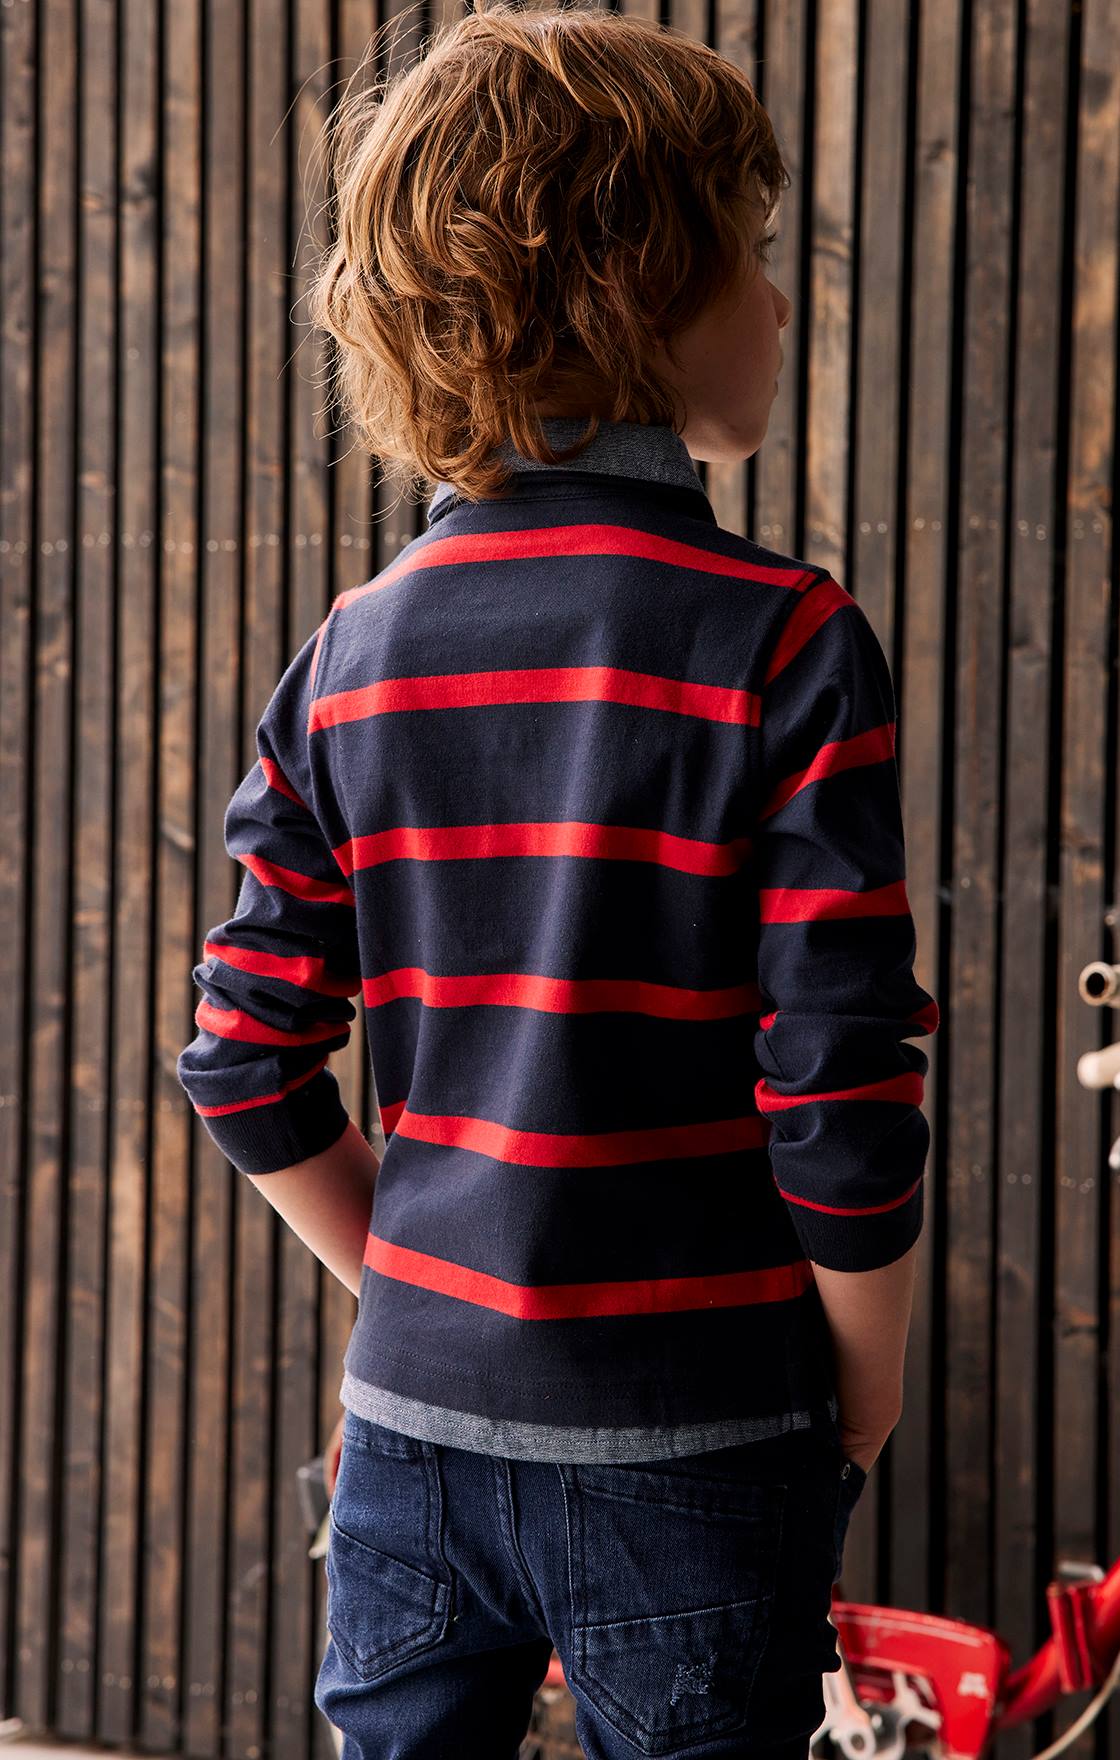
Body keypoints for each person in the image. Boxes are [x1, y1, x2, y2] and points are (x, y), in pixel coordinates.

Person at [175, 5, 940, 1755]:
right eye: (751, 255)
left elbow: (242, 1052)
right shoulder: (787, 643)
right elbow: (840, 1077)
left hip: (410, 1455)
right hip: (703, 1448)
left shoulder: (353, 656)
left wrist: (421, 1288)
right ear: (634, 295)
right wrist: (868, 1371)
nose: (781, 298)